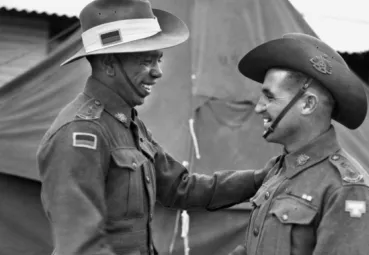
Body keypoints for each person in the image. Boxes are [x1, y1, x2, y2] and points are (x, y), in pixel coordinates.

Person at [36, 1, 270, 255]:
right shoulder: (80, 133)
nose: (158, 72)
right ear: (108, 63)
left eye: (158, 59)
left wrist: (261, 178)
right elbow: (82, 247)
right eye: (146, 61)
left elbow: (182, 188)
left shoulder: (127, 123)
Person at [228, 33, 369, 255]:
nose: (258, 107)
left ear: (308, 104)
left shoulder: (348, 190)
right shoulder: (279, 170)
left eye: (270, 97)